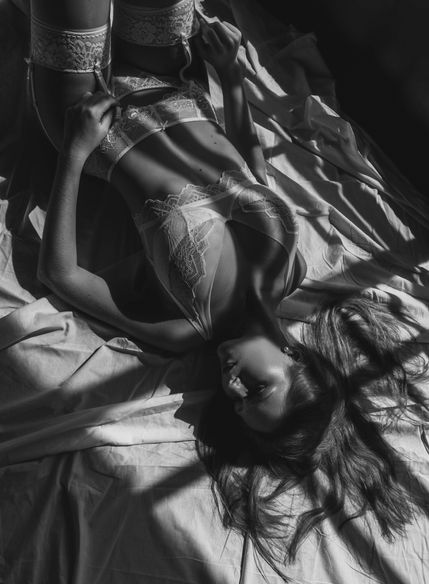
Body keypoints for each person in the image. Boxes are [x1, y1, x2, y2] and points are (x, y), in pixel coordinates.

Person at [29, 0, 428, 576]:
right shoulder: (290, 272)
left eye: (235, 403)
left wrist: (73, 150)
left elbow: (60, 276)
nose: (232, 386)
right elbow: (254, 173)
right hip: (174, 81)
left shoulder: (186, 324)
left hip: (91, 114)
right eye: (257, 388)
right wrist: (233, 78)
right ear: (296, 360)